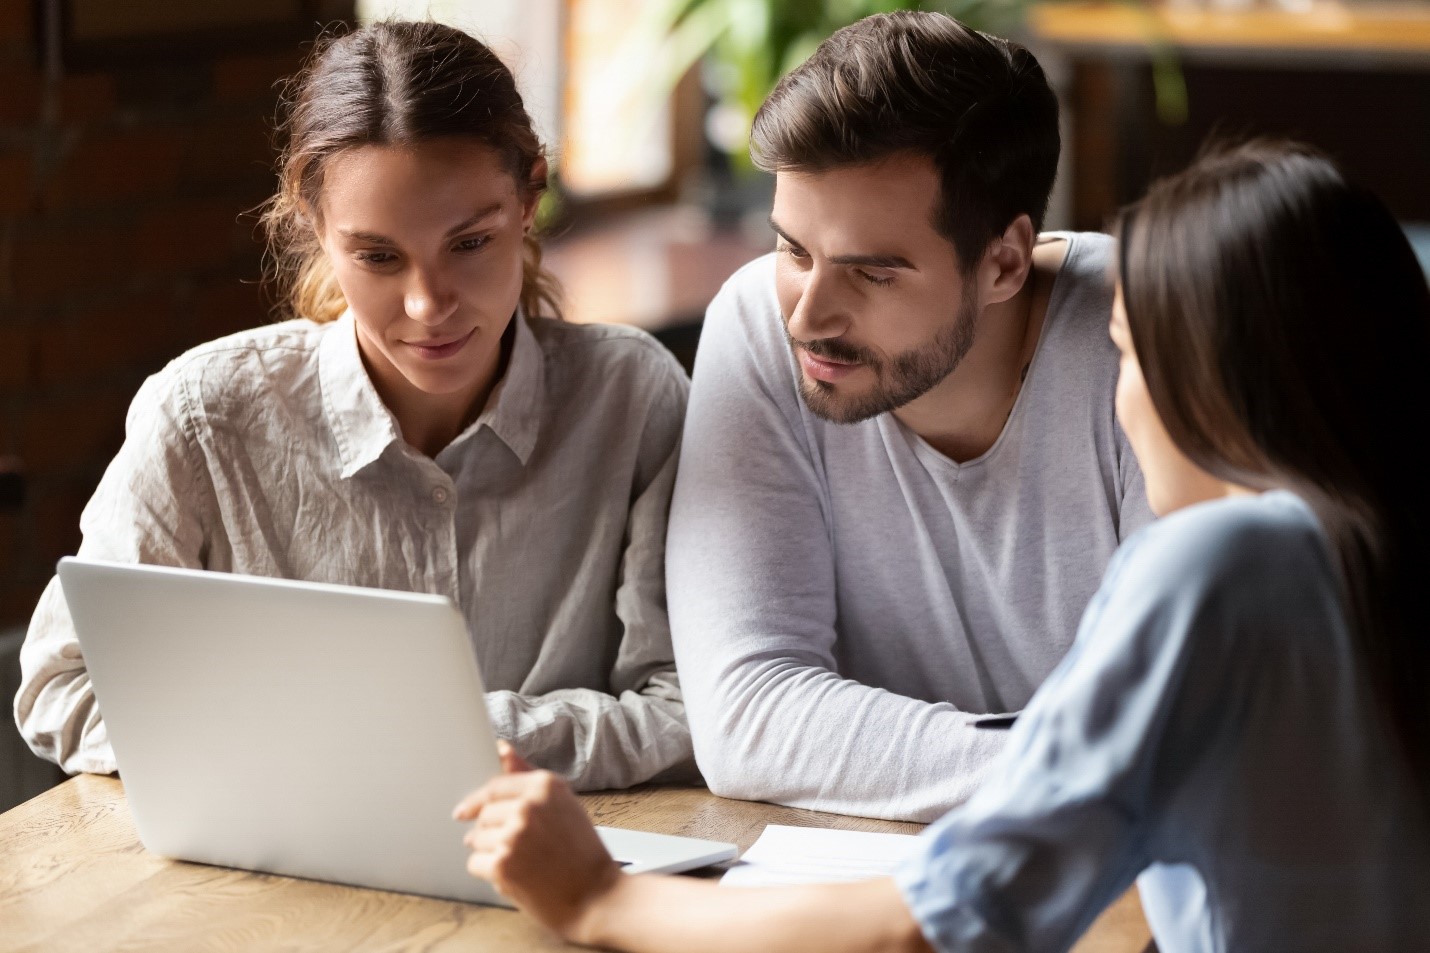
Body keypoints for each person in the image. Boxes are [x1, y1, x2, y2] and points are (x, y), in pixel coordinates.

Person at [452, 139, 1430, 951]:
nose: (1116, 396)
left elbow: (940, 919)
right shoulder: (1361, 553)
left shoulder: (1217, 566)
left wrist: (599, 896)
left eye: (1127, 353)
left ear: (1220, 381)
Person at [14, 21, 694, 791]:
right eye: (378, 256)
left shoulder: (632, 399)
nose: (428, 303)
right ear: (315, 230)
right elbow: (63, 686)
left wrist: (427, 737)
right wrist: (364, 750)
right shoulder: (202, 416)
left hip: (574, 874)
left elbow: (690, 704)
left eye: (470, 243)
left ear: (530, 195)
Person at [666, 11, 1153, 822]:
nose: (808, 315)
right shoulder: (758, 322)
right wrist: (1078, 771)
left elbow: (1183, 741)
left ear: (1002, 261)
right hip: (867, 872)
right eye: (793, 249)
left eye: (871, 273)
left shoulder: (1146, 338)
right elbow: (746, 714)